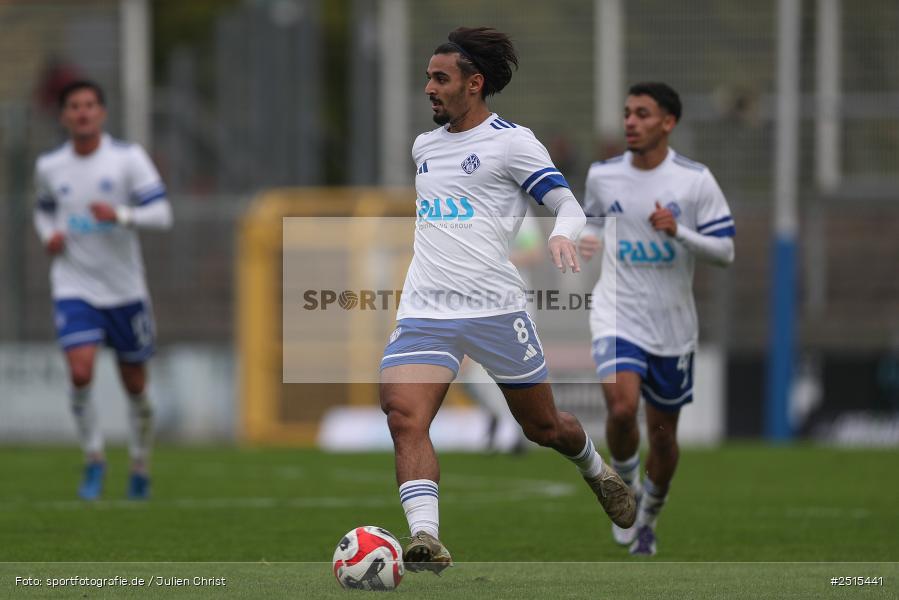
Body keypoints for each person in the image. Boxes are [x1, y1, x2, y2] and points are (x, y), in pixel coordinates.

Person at [379, 27, 636, 574]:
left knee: (543, 428)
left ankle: (596, 468)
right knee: (403, 414)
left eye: (439, 78)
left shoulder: (512, 142)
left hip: (496, 308)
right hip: (427, 307)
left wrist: (564, 233)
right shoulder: (424, 147)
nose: (428, 86)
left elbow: (567, 203)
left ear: (474, 84)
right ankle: (425, 536)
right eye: (427, 76)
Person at [579, 82, 735, 556]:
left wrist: (679, 231)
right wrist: (585, 239)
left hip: (671, 326)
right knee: (622, 408)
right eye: (627, 112)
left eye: (642, 114)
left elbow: (725, 251)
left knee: (663, 440)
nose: (631, 121)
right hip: (617, 312)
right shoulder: (603, 175)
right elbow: (593, 224)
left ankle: (646, 520)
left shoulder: (695, 180)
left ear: (668, 122)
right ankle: (624, 493)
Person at [33, 80, 173, 500]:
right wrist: (49, 236)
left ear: (102, 113)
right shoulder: (50, 167)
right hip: (74, 285)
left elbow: (162, 214)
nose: (83, 112)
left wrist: (122, 214)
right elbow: (43, 212)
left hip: (125, 290)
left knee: (135, 384)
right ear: (63, 116)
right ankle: (94, 459)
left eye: (90, 105)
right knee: (80, 371)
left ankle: (140, 463)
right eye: (74, 106)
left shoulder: (127, 159)